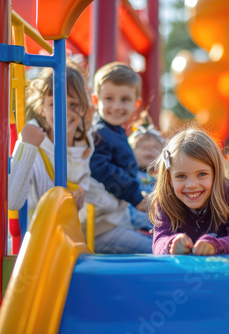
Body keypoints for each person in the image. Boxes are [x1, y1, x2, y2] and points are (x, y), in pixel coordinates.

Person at [8, 59, 94, 224]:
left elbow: (85, 184)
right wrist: (27, 148)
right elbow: (13, 201)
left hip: (67, 233)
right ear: (42, 108)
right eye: (54, 104)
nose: (64, 112)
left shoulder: (86, 142)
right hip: (34, 237)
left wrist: (82, 192)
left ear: (83, 107)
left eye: (73, 104)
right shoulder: (32, 141)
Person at [149, 128, 229, 255]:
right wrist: (171, 244)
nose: (192, 185)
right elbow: (159, 242)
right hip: (195, 272)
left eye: (201, 174)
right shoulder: (165, 201)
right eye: (181, 176)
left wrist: (214, 245)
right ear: (170, 178)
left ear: (216, 173)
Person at [81, 62, 152, 253]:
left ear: (136, 104)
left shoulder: (114, 132)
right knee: (154, 249)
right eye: (109, 98)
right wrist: (135, 196)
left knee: (159, 228)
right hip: (101, 226)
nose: (116, 106)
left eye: (124, 99)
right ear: (96, 101)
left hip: (117, 217)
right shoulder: (98, 134)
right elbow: (101, 169)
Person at [127, 114, 165, 231]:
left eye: (155, 147)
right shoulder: (130, 177)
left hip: (160, 223)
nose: (149, 150)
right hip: (136, 224)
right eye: (143, 148)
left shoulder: (163, 178)